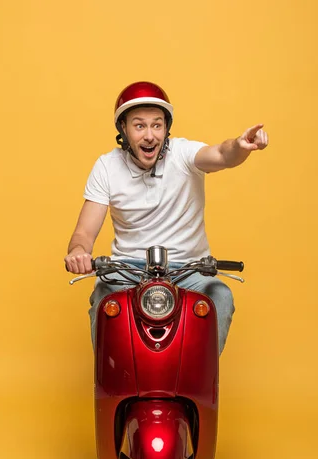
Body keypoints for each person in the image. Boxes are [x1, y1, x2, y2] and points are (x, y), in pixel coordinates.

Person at [65, 81, 268, 353]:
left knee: (220, 295)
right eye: (139, 126)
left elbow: (221, 153)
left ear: (166, 128)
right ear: (123, 129)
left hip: (189, 269)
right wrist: (78, 252)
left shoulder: (183, 154)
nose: (150, 135)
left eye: (157, 125)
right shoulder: (107, 166)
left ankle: (200, 383)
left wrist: (241, 146)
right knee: (105, 300)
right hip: (128, 270)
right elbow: (83, 234)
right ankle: (110, 387)